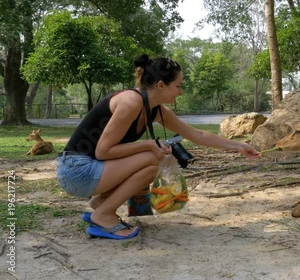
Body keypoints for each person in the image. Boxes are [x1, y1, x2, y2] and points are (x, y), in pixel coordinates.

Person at [56, 54, 261, 240]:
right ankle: (102, 214)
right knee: (154, 159)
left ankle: (100, 205)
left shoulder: (155, 110)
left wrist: (239, 146)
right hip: (75, 171)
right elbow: (103, 151)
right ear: (161, 85)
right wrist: (148, 144)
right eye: (179, 86)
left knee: (154, 157)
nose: (181, 92)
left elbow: (197, 135)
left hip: (92, 171)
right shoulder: (130, 102)